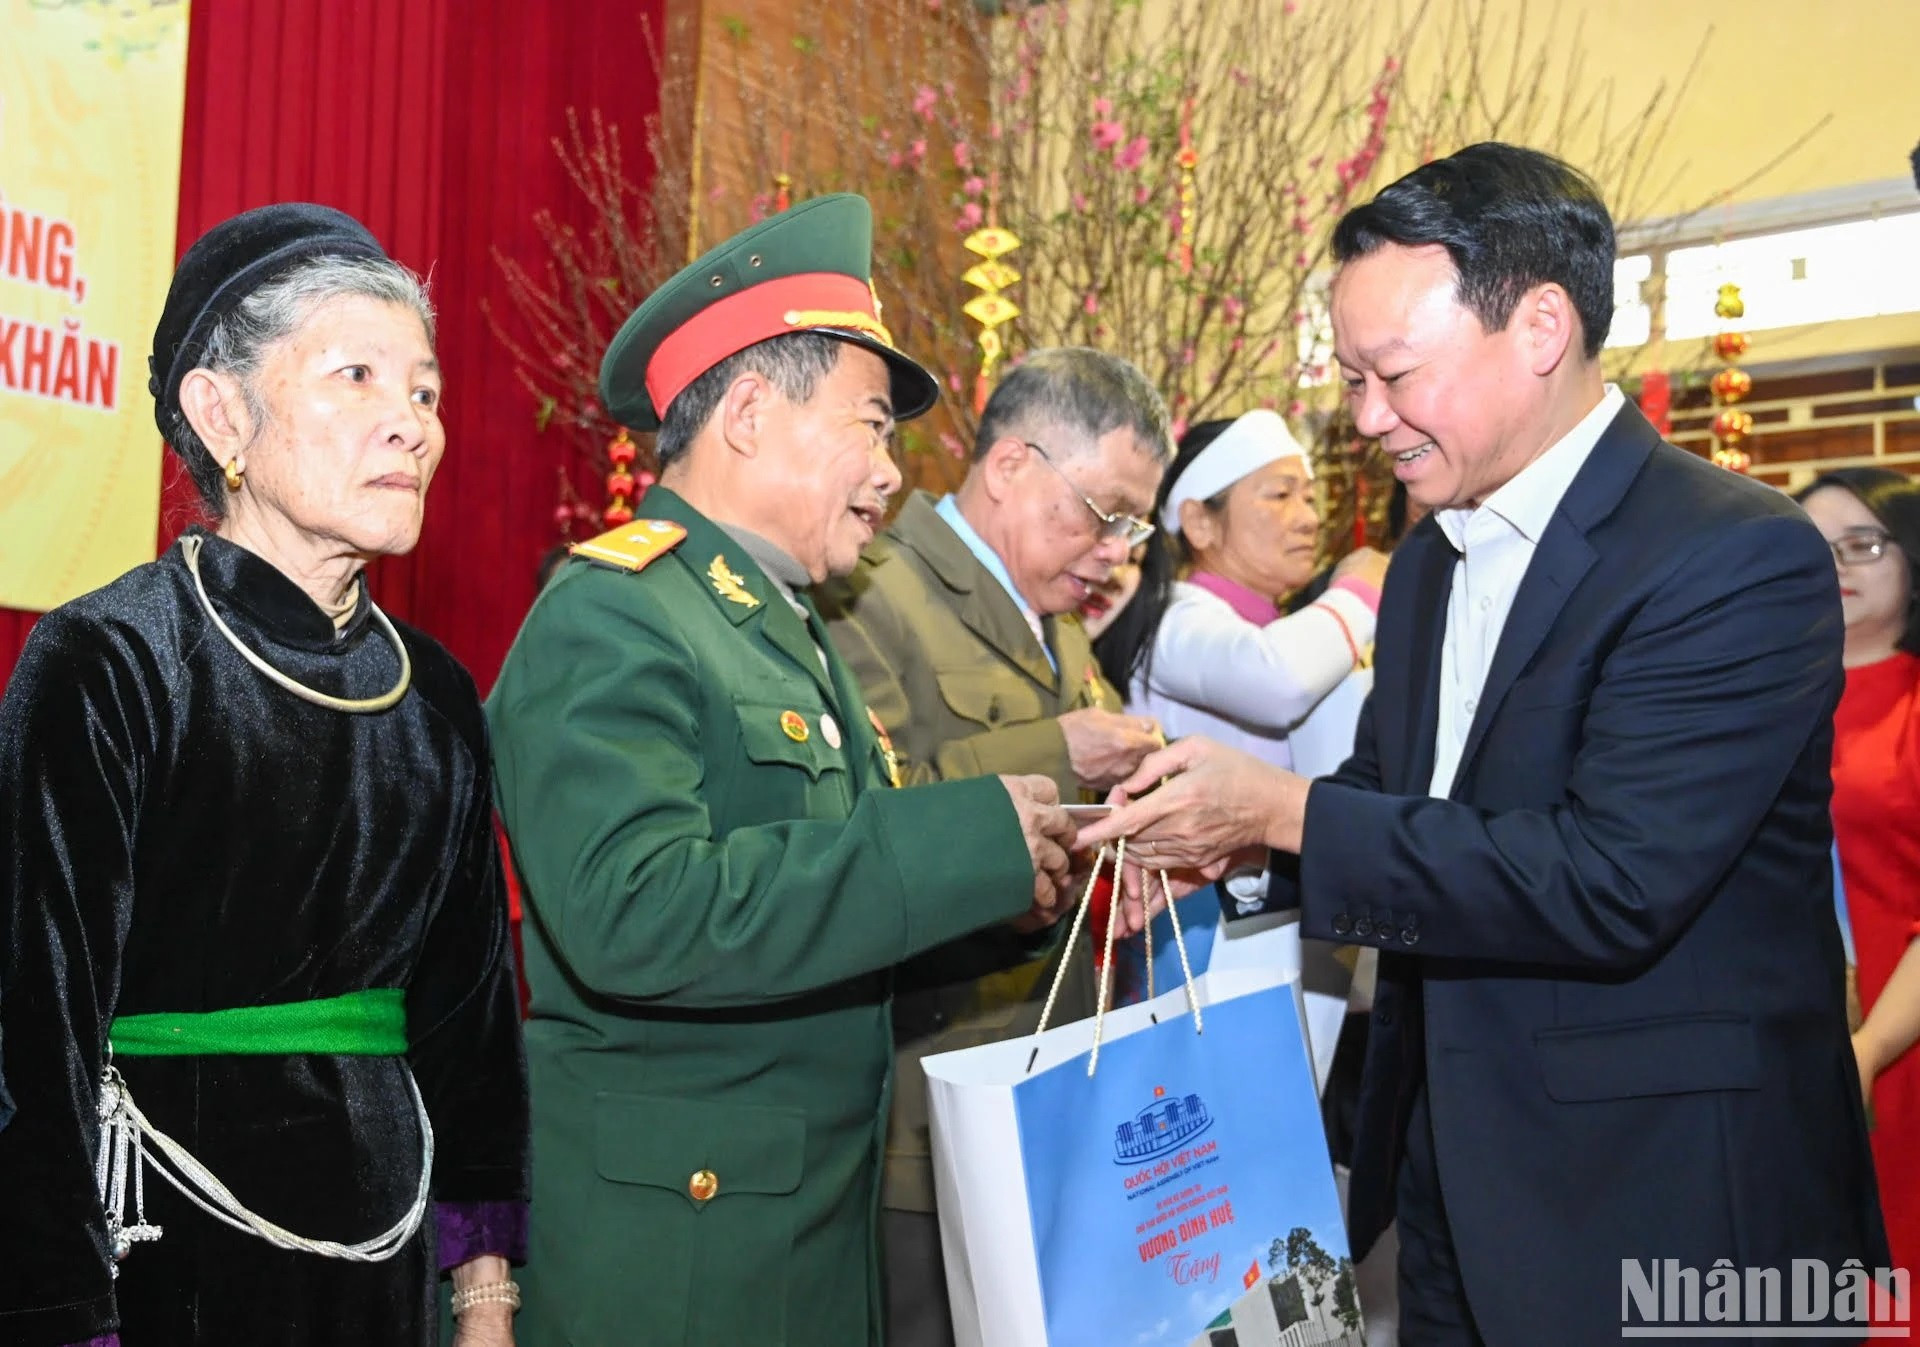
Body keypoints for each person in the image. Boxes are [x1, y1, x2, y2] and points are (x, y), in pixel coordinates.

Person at [1083, 143, 1887, 1343]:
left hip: (1668, 1203)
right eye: (1352, 380)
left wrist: (1283, 813)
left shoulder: (1731, 554)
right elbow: (1390, 800)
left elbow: (1615, 880)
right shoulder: (1426, 568)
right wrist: (1229, 846)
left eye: (1394, 375)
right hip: (1452, 1185)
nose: (1367, 421)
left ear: (1541, 327)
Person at [485, 194, 1078, 1347]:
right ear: (750, 412)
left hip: (797, 1231)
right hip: (681, 1258)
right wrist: (960, 843)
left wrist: (1004, 894)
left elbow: (817, 908)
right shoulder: (612, 615)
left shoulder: (781, 621)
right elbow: (635, 911)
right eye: (869, 426)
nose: (892, 474)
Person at [0, 204, 530, 1347]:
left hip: (381, 1268)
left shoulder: (432, 692)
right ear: (221, 410)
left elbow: (472, 1016)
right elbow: (29, 1034)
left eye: (426, 391)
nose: (413, 427)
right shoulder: (114, 663)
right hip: (159, 1265)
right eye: (357, 377)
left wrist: (484, 1291)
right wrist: (54, 1309)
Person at [814, 347, 1170, 1347]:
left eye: (1134, 526)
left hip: (1047, 1082)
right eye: (1104, 516)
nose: (1114, 553)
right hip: (926, 1109)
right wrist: (1059, 752)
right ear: (1013, 465)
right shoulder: (872, 590)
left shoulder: (1053, 618)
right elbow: (858, 824)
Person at [1796, 467, 1920, 1282]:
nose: (1837, 564)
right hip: (1779, 1050)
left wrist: (1868, 1046)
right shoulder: (1753, 701)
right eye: (1814, 547)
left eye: (1863, 544)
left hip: (1894, 1042)